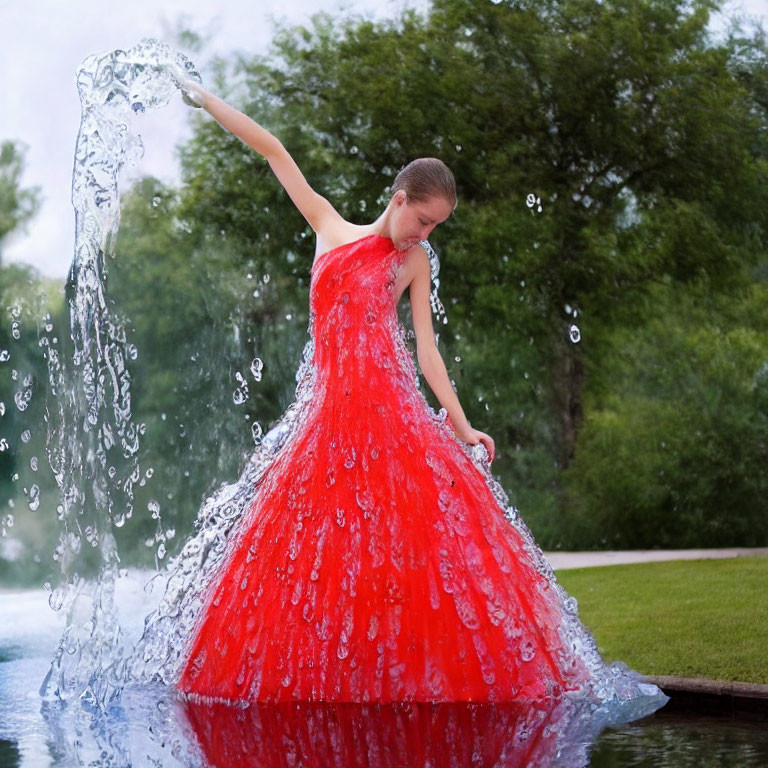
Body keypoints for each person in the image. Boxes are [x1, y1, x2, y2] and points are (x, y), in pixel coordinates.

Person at [165, 71, 667, 711]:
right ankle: (327, 689)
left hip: (389, 414)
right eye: (422, 220)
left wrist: (459, 426)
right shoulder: (329, 229)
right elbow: (274, 151)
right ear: (400, 198)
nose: (424, 235)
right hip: (327, 422)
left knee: (413, 550)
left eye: (434, 228)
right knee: (314, 555)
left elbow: (426, 350)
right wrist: (204, 99)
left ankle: (418, 688)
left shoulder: (412, 264)